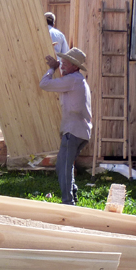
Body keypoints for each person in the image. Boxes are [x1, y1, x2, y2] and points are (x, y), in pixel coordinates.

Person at [40, 48, 92, 205]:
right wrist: (57, 67)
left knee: (64, 167)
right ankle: (72, 195)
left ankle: (68, 202)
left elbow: (45, 84)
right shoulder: (76, 79)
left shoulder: (72, 80)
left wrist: (51, 68)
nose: (62, 66)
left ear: (75, 66)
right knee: (63, 166)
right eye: (61, 63)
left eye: (65, 64)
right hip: (78, 131)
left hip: (74, 131)